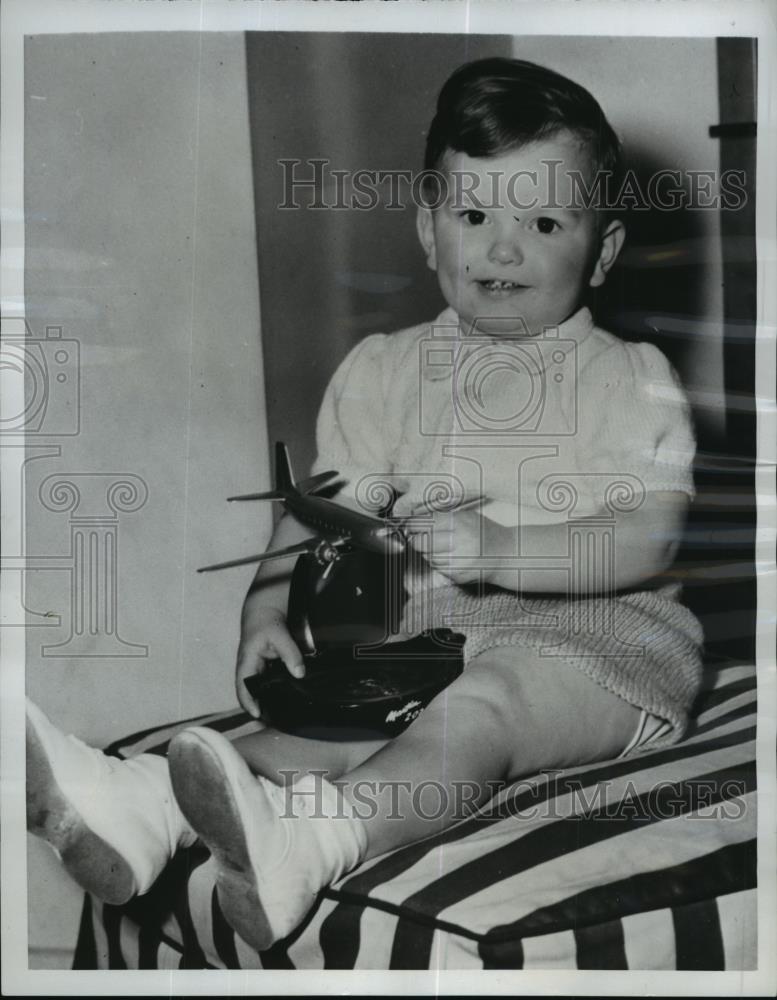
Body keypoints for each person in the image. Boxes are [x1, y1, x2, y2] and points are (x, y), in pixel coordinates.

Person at [26, 57, 703, 955]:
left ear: (603, 249)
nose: (503, 248)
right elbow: (318, 511)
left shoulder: (627, 378)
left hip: (602, 639)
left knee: (485, 705)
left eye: (543, 220)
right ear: (429, 231)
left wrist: (504, 550)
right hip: (426, 643)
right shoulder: (385, 371)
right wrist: (264, 606)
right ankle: (141, 807)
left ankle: (320, 839)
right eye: (473, 216)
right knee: (315, 728)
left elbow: (648, 535)